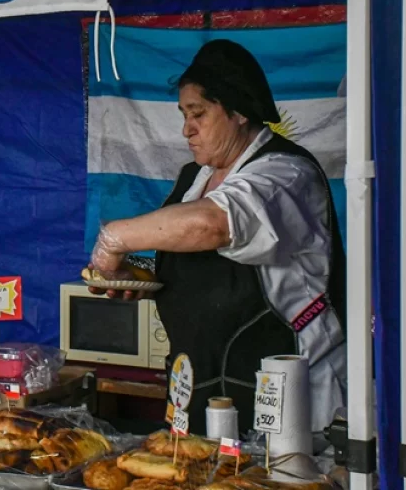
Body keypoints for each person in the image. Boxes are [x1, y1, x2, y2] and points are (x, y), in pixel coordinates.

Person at [89, 39, 346, 435]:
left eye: (198, 114)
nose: (186, 128)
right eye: (183, 114)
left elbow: (215, 226)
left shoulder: (285, 174)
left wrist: (113, 238)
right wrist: (136, 274)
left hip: (280, 394)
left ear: (239, 110)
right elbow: (188, 255)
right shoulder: (195, 178)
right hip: (199, 386)